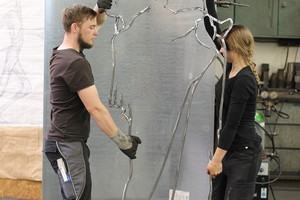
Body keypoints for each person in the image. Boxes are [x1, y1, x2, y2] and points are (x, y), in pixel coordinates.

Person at [44, 1, 141, 199]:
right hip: (68, 146)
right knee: (78, 197)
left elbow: (90, 24)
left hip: (61, 143)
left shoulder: (61, 54)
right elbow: (95, 109)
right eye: (91, 27)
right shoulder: (74, 63)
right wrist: (124, 143)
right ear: (75, 28)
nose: (96, 31)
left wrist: (100, 8)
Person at [204, 1, 262, 199]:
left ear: (235, 49)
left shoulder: (244, 79)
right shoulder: (231, 68)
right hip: (227, 149)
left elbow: (231, 124)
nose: (220, 52)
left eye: (224, 49)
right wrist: (207, 2)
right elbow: (213, 30)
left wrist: (216, 160)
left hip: (243, 154)